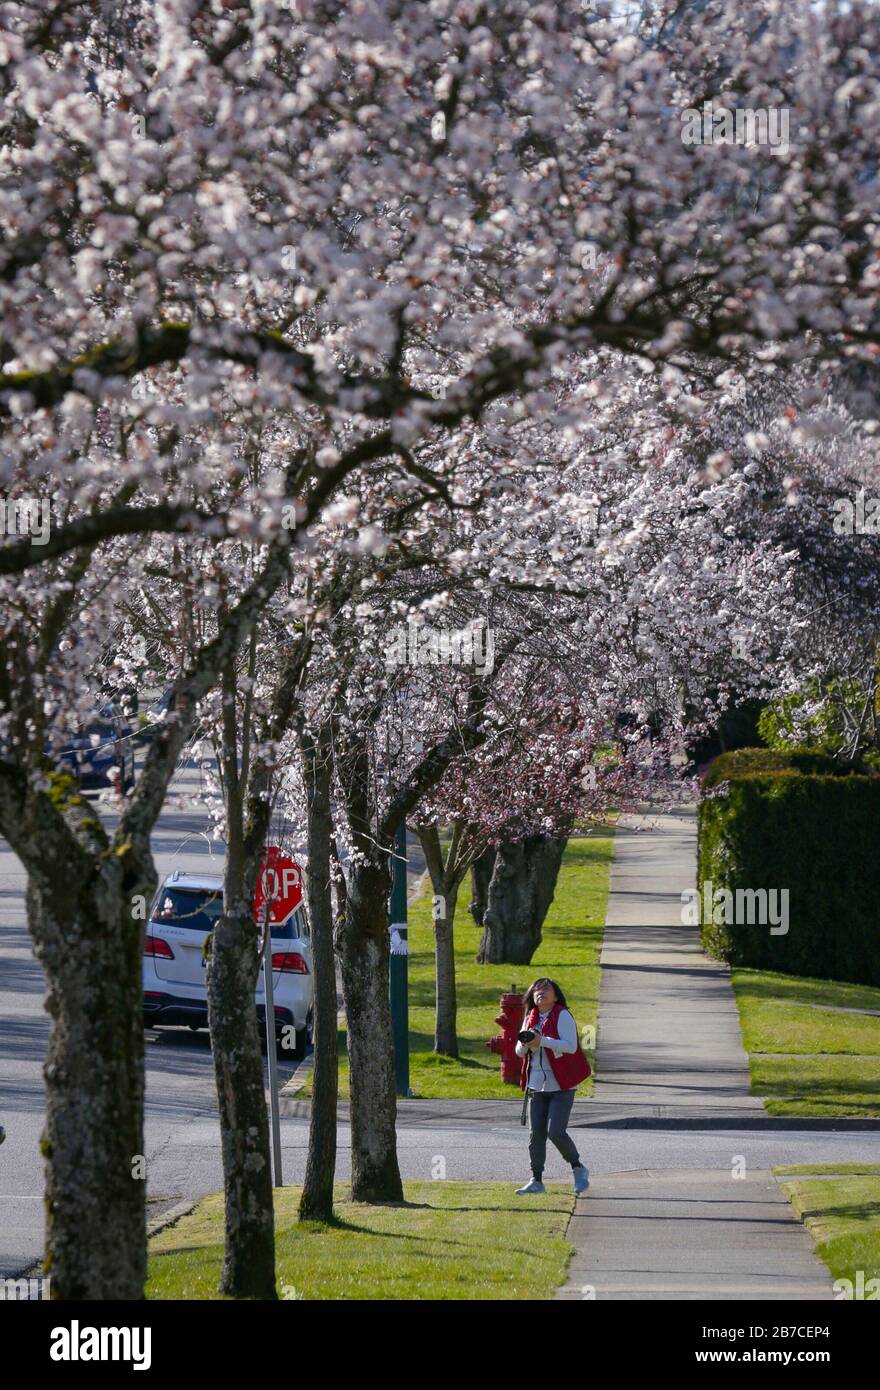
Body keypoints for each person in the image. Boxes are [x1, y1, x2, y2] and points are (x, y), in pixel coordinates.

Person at [514, 976, 590, 1195]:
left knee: (555, 1132)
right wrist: (526, 1044)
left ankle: (578, 1168)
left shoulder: (562, 1015)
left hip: (561, 1085)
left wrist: (542, 1041)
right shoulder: (530, 1017)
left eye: (546, 989)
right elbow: (519, 1052)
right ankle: (536, 1180)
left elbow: (571, 1047)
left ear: (555, 995)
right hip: (536, 1085)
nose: (541, 992)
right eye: (537, 990)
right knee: (535, 1134)